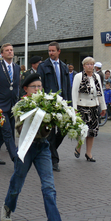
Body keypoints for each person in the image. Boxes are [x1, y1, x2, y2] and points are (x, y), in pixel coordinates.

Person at [1, 73, 64, 221]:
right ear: (25, 89)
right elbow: (21, 129)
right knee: (17, 184)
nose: (37, 89)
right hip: (25, 149)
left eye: (39, 86)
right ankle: (8, 206)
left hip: (43, 147)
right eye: (33, 87)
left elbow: (49, 131)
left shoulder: (48, 104)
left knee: (49, 186)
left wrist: (53, 120)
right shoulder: (21, 105)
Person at [37, 41, 72, 172]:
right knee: (50, 133)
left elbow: (67, 87)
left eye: (53, 51)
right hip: (49, 104)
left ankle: (48, 151)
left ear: (59, 51)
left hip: (62, 104)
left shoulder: (64, 67)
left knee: (63, 130)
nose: (51, 53)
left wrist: (70, 105)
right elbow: (41, 86)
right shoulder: (43, 66)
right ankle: (54, 160)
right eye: (49, 51)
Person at [72, 57, 106, 162]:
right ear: (84, 66)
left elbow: (100, 92)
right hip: (82, 106)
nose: (90, 66)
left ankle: (89, 153)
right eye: (88, 64)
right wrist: (74, 108)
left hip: (94, 106)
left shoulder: (97, 77)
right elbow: (74, 93)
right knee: (83, 130)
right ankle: (79, 146)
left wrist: (103, 106)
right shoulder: (78, 76)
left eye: (92, 64)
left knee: (92, 131)